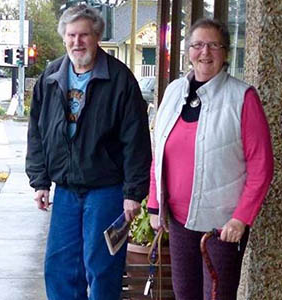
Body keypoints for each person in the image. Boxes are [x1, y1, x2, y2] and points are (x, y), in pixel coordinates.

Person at [25, 4, 151, 300]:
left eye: (84, 35)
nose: (77, 42)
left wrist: (133, 192)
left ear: (97, 37)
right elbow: (37, 132)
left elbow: (136, 140)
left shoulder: (120, 79)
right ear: (64, 37)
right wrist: (40, 181)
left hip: (106, 190)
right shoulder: (51, 75)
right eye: (71, 35)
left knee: (103, 267)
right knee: (59, 267)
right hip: (66, 190)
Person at [148, 18, 273, 300]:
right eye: (198, 45)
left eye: (214, 45)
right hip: (179, 223)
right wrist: (156, 205)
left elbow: (261, 167)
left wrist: (241, 219)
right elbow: (159, 151)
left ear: (225, 52)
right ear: (188, 51)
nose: (205, 52)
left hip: (221, 228)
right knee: (185, 294)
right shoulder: (173, 92)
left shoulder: (243, 98)